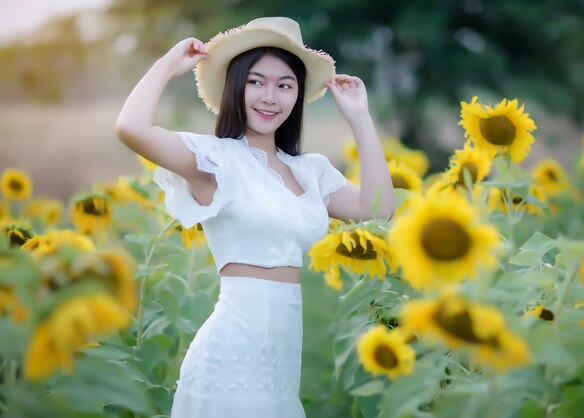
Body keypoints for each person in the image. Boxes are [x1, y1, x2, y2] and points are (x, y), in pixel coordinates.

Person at [115, 16, 394, 418]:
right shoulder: (215, 160)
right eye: (256, 81)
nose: (270, 96)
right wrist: (166, 64)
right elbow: (131, 128)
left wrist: (360, 119)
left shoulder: (309, 170)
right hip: (231, 355)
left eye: (285, 85)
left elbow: (378, 209)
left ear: (297, 96)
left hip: (282, 365)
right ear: (235, 86)